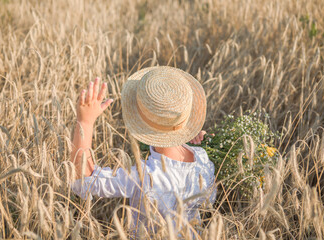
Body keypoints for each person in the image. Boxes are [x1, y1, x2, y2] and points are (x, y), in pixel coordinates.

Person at [70, 66, 217, 238]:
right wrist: (187, 137)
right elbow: (209, 200)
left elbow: (83, 182)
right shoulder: (202, 159)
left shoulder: (143, 175)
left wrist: (85, 122)